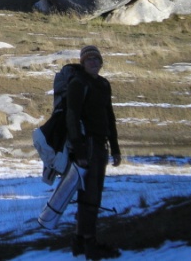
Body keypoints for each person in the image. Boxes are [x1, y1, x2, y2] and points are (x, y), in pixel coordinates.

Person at [66, 45, 121, 260]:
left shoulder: (103, 84)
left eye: (96, 59)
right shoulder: (78, 84)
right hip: (87, 145)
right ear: (82, 62)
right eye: (89, 59)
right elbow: (72, 117)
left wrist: (115, 147)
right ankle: (90, 244)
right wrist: (79, 149)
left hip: (101, 144)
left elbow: (110, 116)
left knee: (92, 194)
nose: (93, 63)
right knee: (90, 196)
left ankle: (80, 241)